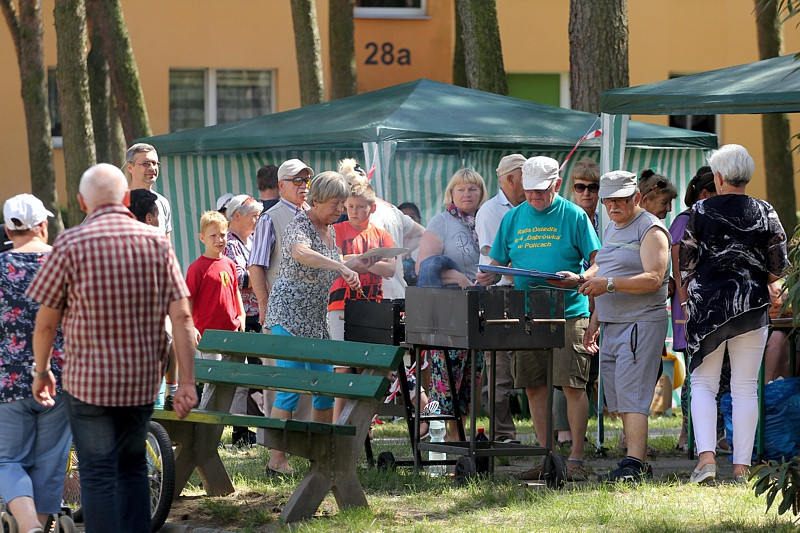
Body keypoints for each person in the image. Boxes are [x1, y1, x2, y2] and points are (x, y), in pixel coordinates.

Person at [28, 163, 198, 533]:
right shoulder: (157, 244)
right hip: (140, 382)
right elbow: (183, 319)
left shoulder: (69, 244)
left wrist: (41, 371)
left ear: (81, 202)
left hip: (86, 383)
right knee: (132, 466)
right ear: (125, 198)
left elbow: (45, 322)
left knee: (97, 472)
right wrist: (186, 382)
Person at [476, 156, 600, 482]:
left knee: (572, 383)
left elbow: (598, 263)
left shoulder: (573, 215)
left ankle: (575, 458)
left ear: (557, 185)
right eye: (529, 192)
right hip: (527, 308)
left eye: (541, 192)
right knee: (532, 386)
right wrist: (487, 275)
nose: (534, 198)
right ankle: (548, 457)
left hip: (569, 308)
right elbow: (497, 262)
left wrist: (580, 276)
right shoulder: (513, 218)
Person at [679, 144, 788, 484]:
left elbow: (686, 265)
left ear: (720, 177)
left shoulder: (699, 211)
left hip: (708, 309)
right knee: (744, 388)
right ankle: (741, 467)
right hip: (752, 308)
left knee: (703, 384)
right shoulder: (765, 210)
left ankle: (706, 461)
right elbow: (779, 266)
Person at [264, 171, 368, 475]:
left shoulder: (330, 230)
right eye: (335, 204)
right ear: (317, 199)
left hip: (314, 317)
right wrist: (338, 264)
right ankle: (276, 458)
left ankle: (318, 454)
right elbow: (301, 252)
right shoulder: (301, 223)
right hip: (288, 314)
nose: (339, 210)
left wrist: (354, 265)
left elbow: (330, 260)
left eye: (342, 204)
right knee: (292, 387)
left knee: (325, 388)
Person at [571, 170, 671, 483]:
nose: (613, 206)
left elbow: (655, 278)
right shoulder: (614, 228)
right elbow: (606, 269)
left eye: (620, 201)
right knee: (621, 397)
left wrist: (608, 285)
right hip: (614, 324)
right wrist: (594, 319)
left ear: (636, 199)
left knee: (633, 396)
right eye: (608, 201)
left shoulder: (651, 230)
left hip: (640, 323)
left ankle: (634, 464)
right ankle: (631, 460)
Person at [0, 194, 70, 533]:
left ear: (8, 230)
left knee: (7, 460)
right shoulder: (65, 263)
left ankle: (29, 528)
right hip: (61, 376)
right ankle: (37, 527)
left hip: (7, 380)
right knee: (50, 462)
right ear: (43, 225)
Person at [416, 168, 487, 440]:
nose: (467, 193)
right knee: (448, 374)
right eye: (461, 189)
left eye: (473, 188)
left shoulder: (486, 220)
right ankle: (448, 435)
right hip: (447, 312)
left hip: (479, 308)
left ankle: (460, 434)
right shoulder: (441, 221)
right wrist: (454, 275)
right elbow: (424, 267)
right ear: (451, 194)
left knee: (472, 375)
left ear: (481, 193)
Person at [329, 182, 395, 421]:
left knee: (369, 366)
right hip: (340, 304)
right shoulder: (336, 230)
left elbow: (390, 268)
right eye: (350, 206)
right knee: (343, 364)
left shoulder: (381, 235)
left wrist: (357, 262)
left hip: (371, 305)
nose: (354, 211)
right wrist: (357, 261)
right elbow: (333, 260)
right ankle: (338, 422)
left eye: (359, 206)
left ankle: (364, 421)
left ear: (372, 207)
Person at [476, 153, 526, 445]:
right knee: (499, 368)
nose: (530, 186)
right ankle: (502, 434)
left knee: (530, 364)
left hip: (524, 291)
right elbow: (493, 266)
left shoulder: (528, 208)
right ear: (510, 179)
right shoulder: (491, 211)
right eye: (525, 180)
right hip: (500, 295)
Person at [669, 166, 717, 452]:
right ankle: (687, 432)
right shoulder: (684, 221)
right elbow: (678, 266)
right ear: (704, 193)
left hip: (713, 305)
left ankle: (711, 433)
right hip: (690, 305)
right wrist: (685, 304)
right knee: (695, 370)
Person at [556, 156, 601, 449]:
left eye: (593, 187)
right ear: (571, 189)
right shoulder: (564, 217)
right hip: (574, 301)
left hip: (606, 298)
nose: (587, 193)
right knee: (568, 370)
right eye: (580, 186)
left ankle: (592, 433)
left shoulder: (608, 219)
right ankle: (564, 433)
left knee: (593, 371)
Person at [338, 159, 425, 301]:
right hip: (397, 291)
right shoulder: (391, 208)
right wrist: (398, 255)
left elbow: (366, 260)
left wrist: (349, 259)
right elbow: (421, 233)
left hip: (374, 295)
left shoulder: (365, 216)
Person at [187, 210, 246, 414]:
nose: (219, 240)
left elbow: (235, 291)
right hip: (209, 335)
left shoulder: (229, 263)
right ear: (202, 238)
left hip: (232, 332)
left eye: (222, 234)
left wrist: (242, 315)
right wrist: (192, 327)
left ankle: (239, 427)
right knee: (213, 382)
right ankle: (207, 427)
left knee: (240, 382)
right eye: (213, 236)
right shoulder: (197, 268)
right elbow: (188, 300)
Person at [222, 195, 265, 446]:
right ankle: (240, 430)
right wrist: (260, 275)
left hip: (255, 314)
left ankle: (253, 427)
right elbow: (238, 278)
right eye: (253, 216)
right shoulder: (230, 243)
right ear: (236, 216)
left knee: (256, 374)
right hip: (242, 318)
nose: (257, 221)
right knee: (241, 376)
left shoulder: (249, 241)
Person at [249, 159, 312, 325]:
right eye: (297, 180)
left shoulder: (312, 215)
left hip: (312, 309)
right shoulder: (269, 218)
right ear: (281, 186)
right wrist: (264, 304)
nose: (304, 185)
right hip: (282, 311)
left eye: (307, 180)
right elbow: (255, 266)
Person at [126, 143, 172, 238]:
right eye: (145, 164)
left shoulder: (162, 202)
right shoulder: (118, 202)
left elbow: (167, 246)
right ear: (130, 167)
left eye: (155, 163)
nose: (152, 168)